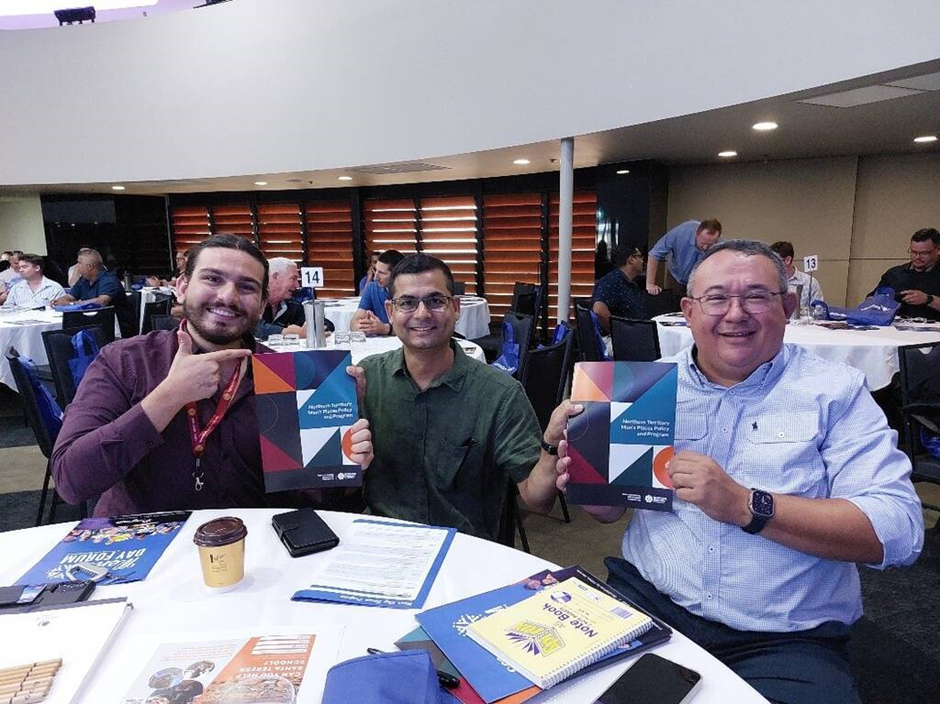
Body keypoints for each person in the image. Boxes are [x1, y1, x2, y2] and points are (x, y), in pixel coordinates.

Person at [555, 239, 923, 704]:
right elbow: (607, 513)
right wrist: (584, 471)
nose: (735, 313)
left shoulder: (836, 392)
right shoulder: (640, 386)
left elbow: (899, 532)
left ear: (787, 305)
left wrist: (748, 506)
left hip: (784, 636)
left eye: (756, 296)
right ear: (688, 311)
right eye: (716, 298)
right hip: (650, 601)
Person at [51, 234, 373, 516]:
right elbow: (72, 481)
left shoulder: (287, 378)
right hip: (148, 552)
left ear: (262, 305)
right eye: (213, 279)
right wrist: (170, 396)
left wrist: (344, 465)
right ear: (181, 287)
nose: (228, 296)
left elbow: (315, 501)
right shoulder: (125, 361)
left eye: (246, 286)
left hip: (253, 553)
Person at [350, 253, 575, 540]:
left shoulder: (498, 394)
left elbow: (537, 500)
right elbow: (337, 487)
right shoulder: (366, 381)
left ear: (455, 308)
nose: (421, 313)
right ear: (390, 311)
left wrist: (551, 448)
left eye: (435, 301)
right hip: (382, 547)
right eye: (407, 302)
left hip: (465, 554)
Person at [51, 247, 134, 336]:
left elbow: (102, 301)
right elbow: (70, 296)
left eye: (79, 263)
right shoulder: (84, 280)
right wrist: (60, 301)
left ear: (89, 266)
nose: (77, 266)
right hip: (91, 325)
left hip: (114, 330)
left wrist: (73, 304)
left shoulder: (109, 280)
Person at [872, 227, 940, 321]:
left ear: (938, 250)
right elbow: (871, 300)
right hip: (895, 329)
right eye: (913, 252)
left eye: (924, 253)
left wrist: (928, 299)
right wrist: (883, 299)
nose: (917, 257)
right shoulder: (895, 274)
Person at [646, 219, 722, 297]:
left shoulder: (721, 245)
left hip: (698, 283)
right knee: (672, 304)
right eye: (702, 243)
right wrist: (650, 284)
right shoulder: (681, 232)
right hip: (675, 277)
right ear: (696, 233)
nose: (705, 247)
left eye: (710, 245)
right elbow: (654, 254)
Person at [591, 244, 647, 332]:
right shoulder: (613, 282)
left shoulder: (628, 281)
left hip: (634, 333)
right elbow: (599, 309)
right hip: (619, 340)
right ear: (631, 259)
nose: (642, 260)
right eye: (640, 257)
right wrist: (616, 332)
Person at [351, 249, 404, 335]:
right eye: (376, 271)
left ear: (396, 274)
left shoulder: (410, 292)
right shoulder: (371, 288)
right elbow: (354, 322)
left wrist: (385, 328)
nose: (375, 277)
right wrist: (365, 327)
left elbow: (415, 328)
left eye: (382, 273)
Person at [254, 257, 307, 339]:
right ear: (275, 277)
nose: (297, 285)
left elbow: (326, 324)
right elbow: (253, 328)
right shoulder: (252, 299)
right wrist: (286, 332)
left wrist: (316, 329)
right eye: (293, 278)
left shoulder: (291, 303)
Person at [769, 241, 824, 312]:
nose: (770, 265)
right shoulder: (768, 282)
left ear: (787, 260)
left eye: (774, 261)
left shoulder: (810, 282)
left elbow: (819, 312)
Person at [1, 253, 66, 309]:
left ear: (37, 268)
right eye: (19, 267)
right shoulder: (16, 289)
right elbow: (7, 309)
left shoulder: (54, 288)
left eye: (24, 267)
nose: (20, 270)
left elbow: (62, 311)